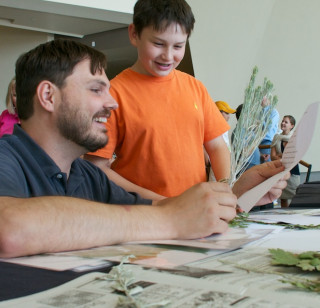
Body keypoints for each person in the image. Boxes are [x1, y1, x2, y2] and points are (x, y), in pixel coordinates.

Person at [0, 39, 289, 258]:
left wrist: (238, 193)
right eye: (96, 89)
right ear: (48, 96)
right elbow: (8, 227)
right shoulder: (6, 157)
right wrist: (168, 220)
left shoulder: (87, 175)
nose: (112, 103)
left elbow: (170, 209)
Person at [84, 0, 231, 200]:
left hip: (196, 214)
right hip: (144, 217)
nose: (168, 56)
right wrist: (162, 204)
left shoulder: (195, 87)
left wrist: (225, 187)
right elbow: (97, 168)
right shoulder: (113, 95)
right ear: (134, 34)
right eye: (158, 44)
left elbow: (217, 146)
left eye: (178, 46)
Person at [271, 115, 300, 207]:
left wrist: (279, 156)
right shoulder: (276, 138)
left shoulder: (294, 138)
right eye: (282, 121)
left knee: (295, 196)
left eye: (286, 122)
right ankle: (284, 217)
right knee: (283, 198)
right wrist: (282, 157)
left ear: (292, 126)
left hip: (292, 171)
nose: (283, 123)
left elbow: (291, 157)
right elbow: (272, 156)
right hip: (281, 171)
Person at [259, 96, 280, 163]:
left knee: (266, 165)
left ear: (268, 100)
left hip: (267, 142)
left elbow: (268, 127)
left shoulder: (274, 112)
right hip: (259, 142)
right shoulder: (261, 112)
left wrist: (260, 122)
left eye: (263, 98)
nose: (261, 100)